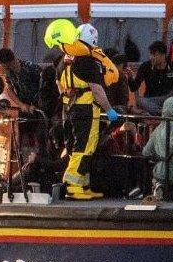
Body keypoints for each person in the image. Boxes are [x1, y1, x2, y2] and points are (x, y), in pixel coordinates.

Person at [44, 20, 119, 200]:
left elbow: (58, 83)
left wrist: (67, 97)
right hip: (86, 109)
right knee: (85, 147)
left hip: (69, 109)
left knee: (76, 146)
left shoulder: (63, 60)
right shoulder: (87, 61)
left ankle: (82, 186)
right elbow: (98, 90)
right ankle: (72, 187)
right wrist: (109, 110)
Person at [130, 41, 173, 115]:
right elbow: (134, 88)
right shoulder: (145, 66)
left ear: (163, 55)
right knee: (141, 101)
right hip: (152, 100)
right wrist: (130, 78)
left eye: (155, 55)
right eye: (151, 55)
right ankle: (166, 112)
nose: (151, 58)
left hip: (170, 97)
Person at [0, 48, 41, 112]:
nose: (4, 69)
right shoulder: (8, 73)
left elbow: (44, 88)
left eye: (5, 67)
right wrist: (21, 105)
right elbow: (9, 89)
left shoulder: (32, 68)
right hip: (25, 108)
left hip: (41, 106)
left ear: (12, 62)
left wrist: (35, 105)